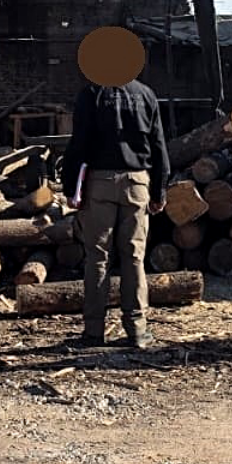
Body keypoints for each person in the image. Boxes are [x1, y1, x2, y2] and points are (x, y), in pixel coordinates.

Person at [60, 29, 171, 349]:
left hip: (100, 183)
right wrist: (160, 190)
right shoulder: (147, 95)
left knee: (97, 257)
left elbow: (77, 145)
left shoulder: (90, 94)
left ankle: (94, 331)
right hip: (138, 183)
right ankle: (137, 330)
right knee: (134, 257)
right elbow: (159, 146)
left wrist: (71, 188)